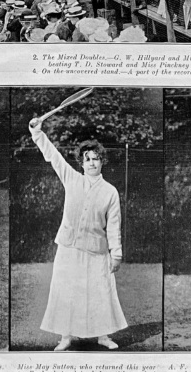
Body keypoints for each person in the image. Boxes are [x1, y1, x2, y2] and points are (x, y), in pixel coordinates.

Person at [28, 118, 127, 350]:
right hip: (68, 246)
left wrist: (117, 254)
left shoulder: (110, 192)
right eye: (87, 159)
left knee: (100, 291)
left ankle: (103, 336)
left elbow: (113, 226)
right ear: (81, 163)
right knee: (66, 290)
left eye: (96, 159)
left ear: (102, 161)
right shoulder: (72, 178)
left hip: (96, 250)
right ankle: (65, 337)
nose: (92, 163)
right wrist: (36, 132)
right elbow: (52, 155)